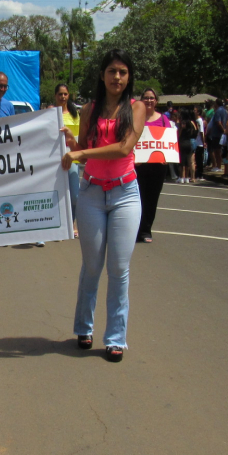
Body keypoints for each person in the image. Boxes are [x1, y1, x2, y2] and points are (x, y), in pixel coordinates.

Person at [61, 49, 145, 362]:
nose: (117, 78)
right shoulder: (89, 109)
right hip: (92, 193)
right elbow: (84, 148)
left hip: (125, 194)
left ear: (129, 77)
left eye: (123, 72)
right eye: (112, 71)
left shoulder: (136, 108)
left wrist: (83, 155)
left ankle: (115, 339)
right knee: (92, 266)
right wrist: (72, 145)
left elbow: (124, 147)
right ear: (102, 75)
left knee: (119, 269)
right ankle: (84, 327)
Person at [136, 88, 171, 243]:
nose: (149, 100)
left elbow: (170, 142)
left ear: (156, 101)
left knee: (151, 199)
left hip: (158, 166)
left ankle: (145, 231)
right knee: (137, 198)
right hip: (138, 165)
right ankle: (134, 229)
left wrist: (167, 157)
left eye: (152, 98)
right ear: (141, 100)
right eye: (146, 97)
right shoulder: (136, 118)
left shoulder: (164, 120)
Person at [54, 84, 81, 237]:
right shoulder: (50, 113)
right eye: (60, 94)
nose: (63, 97)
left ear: (68, 95)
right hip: (54, 160)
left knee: (75, 195)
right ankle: (58, 225)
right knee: (57, 193)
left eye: (65, 94)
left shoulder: (75, 115)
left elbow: (77, 138)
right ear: (55, 96)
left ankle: (72, 223)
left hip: (72, 158)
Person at [177, 108, 198, 184]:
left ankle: (181, 177)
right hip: (190, 142)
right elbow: (196, 131)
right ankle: (189, 177)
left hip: (183, 142)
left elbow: (179, 133)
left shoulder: (183, 123)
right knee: (190, 161)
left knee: (182, 161)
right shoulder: (192, 123)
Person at [207, 98, 228, 172]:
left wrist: (223, 130)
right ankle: (219, 166)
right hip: (223, 133)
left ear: (216, 104)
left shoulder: (218, 111)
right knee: (220, 150)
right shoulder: (225, 111)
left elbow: (218, 122)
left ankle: (218, 166)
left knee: (217, 150)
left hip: (217, 134)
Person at [194, 107, 206, 180]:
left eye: (195, 110)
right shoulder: (196, 120)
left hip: (199, 143)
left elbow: (201, 132)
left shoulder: (199, 120)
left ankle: (200, 174)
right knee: (197, 159)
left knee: (199, 159)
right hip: (196, 142)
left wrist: (203, 141)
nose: (194, 111)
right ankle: (198, 173)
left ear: (198, 112)